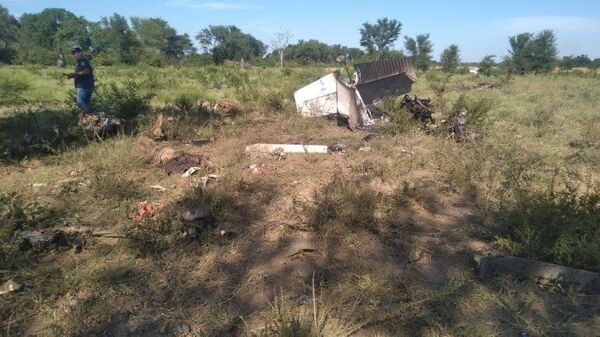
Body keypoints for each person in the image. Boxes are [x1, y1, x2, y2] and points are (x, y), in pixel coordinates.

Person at [63, 47, 98, 114]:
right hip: (86, 85)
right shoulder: (80, 61)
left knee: (79, 103)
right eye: (72, 53)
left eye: (74, 53)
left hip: (84, 86)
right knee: (86, 104)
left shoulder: (82, 60)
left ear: (80, 53)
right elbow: (81, 73)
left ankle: (98, 113)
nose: (73, 55)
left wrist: (74, 73)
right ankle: (95, 116)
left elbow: (86, 71)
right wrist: (72, 75)